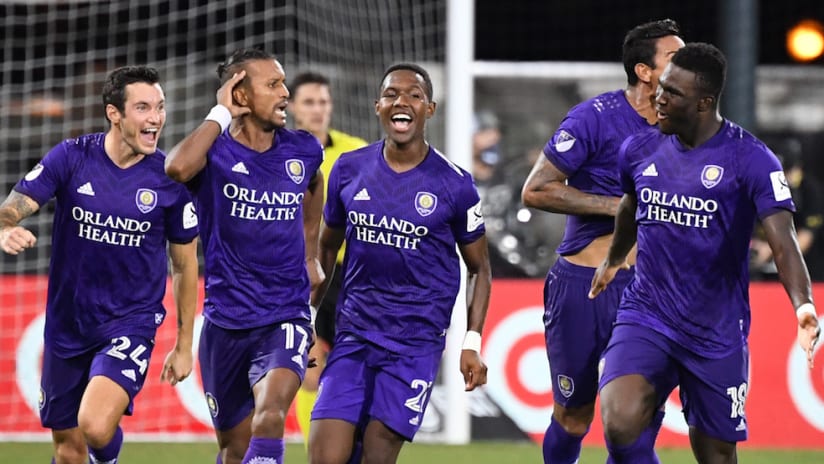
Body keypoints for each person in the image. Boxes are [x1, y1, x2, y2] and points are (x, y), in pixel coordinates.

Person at [589, 43, 821, 464]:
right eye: (660, 87)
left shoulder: (751, 160)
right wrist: (613, 258)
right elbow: (629, 206)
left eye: (672, 93)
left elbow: (784, 242)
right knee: (620, 423)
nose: (658, 98)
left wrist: (803, 305)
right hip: (647, 314)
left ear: (704, 102)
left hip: (715, 333)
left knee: (715, 455)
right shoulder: (638, 150)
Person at [0, 66, 199, 464]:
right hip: (67, 324)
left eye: (160, 107)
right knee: (68, 451)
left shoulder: (169, 179)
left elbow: (184, 265)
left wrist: (183, 344)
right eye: (143, 107)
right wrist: (4, 229)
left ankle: (105, 458)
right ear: (114, 113)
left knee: (94, 425)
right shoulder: (72, 157)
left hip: (129, 323)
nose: (156, 118)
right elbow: (12, 209)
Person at [307, 63, 492, 464]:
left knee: (375, 456)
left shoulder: (455, 184)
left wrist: (472, 342)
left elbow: (479, 267)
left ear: (430, 108)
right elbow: (324, 250)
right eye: (391, 94)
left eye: (413, 95)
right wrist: (307, 318)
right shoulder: (349, 169)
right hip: (353, 336)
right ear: (378, 107)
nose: (401, 102)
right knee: (325, 456)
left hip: (414, 347)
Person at [520, 19, 684, 463]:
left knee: (635, 420)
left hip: (653, 291)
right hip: (584, 285)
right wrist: (619, 207)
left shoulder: (690, 128)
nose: (687, 63)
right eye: (674, 57)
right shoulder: (595, 118)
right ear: (645, 71)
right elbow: (536, 190)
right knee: (573, 415)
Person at [164, 48, 324, 464]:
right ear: (241, 94)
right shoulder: (213, 154)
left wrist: (310, 255)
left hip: (285, 315)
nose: (285, 93)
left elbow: (314, 189)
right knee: (234, 450)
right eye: (272, 85)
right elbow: (176, 168)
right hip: (225, 323)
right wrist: (219, 113)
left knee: (270, 418)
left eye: (283, 82)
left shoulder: (302, 150)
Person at [287, 71, 368, 446]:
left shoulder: (356, 151)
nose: (318, 109)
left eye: (323, 101)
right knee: (309, 370)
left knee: (358, 369)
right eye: (309, 102)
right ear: (292, 109)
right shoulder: (281, 152)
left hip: (353, 278)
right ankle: (312, 450)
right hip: (300, 274)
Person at [750, 137, 824, 281]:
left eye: (786, 171)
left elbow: (805, 238)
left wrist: (771, 250)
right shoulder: (758, 188)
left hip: (806, 271)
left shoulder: (810, 191)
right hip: (762, 272)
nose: (783, 177)